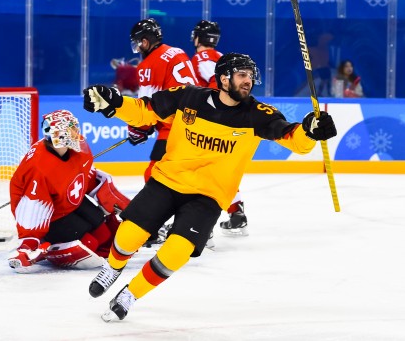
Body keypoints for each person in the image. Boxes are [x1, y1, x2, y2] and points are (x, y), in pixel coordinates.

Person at [82, 52, 337, 322]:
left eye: (250, 76)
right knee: (128, 235)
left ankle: (129, 295)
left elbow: (294, 138)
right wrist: (114, 103)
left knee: (177, 251)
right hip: (168, 180)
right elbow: (145, 111)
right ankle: (113, 267)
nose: (248, 81)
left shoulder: (257, 114)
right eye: (242, 75)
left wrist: (310, 131)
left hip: (208, 196)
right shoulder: (189, 97)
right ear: (224, 78)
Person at [8, 109, 131, 273]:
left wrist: (111, 198)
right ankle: (45, 248)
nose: (76, 133)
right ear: (58, 135)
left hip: (70, 202)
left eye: (75, 127)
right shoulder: (39, 168)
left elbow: (87, 179)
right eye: (70, 129)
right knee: (90, 244)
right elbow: (33, 206)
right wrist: (29, 243)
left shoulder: (80, 146)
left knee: (105, 236)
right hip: (52, 216)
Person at [190, 20, 248, 235]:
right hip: (229, 119)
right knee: (221, 168)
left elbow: (215, 84)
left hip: (212, 120)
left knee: (202, 169)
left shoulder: (202, 57)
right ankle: (237, 213)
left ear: (198, 38)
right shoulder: (223, 57)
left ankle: (201, 226)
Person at [127, 18, 198, 183]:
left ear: (145, 42)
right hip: (198, 124)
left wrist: (139, 129)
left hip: (174, 128)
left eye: (137, 43)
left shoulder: (147, 65)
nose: (137, 48)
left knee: (153, 177)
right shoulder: (178, 52)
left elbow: (145, 107)